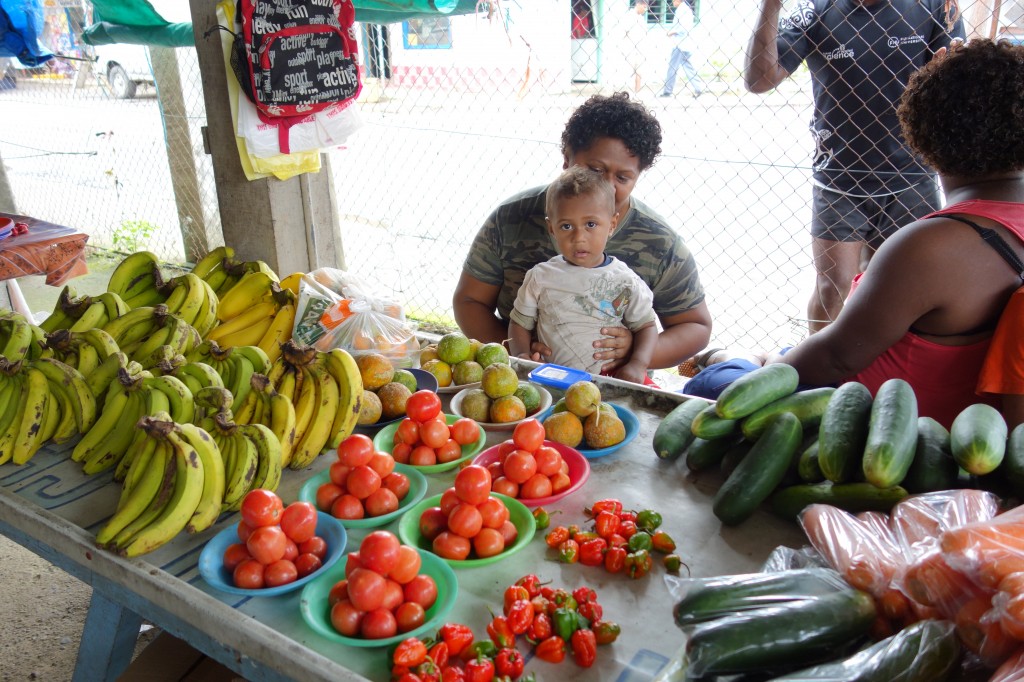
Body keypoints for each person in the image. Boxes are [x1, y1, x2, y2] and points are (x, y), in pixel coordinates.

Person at [687, 38, 1024, 430]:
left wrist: (775, 368)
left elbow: (836, 356)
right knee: (782, 356)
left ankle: (732, 359)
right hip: (970, 432)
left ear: (926, 130)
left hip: (876, 428)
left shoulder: (931, 246)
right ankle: (749, 357)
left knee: (713, 386)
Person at [454, 92, 712, 380]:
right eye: (595, 169)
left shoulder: (659, 243)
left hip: (612, 384)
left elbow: (696, 326)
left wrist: (636, 353)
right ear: (567, 158)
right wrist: (518, 351)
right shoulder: (512, 218)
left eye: (623, 178)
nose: (608, 187)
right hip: (531, 378)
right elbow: (469, 301)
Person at [743, 0, 964, 332]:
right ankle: (817, 372)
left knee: (903, 288)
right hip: (841, 175)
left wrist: (950, 72)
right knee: (833, 287)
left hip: (911, 172)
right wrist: (770, 6)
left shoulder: (932, 3)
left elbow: (955, 75)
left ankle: (884, 370)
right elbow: (759, 80)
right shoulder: (816, 9)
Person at [508, 166, 658, 385]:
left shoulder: (626, 281)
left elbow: (646, 327)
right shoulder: (541, 277)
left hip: (611, 376)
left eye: (591, 224)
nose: (579, 238)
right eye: (566, 226)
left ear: (611, 225)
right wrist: (522, 357)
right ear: (552, 229)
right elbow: (519, 323)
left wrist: (637, 364)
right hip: (555, 377)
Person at [660, 0, 706, 98]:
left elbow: (684, 28)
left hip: (680, 44)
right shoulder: (683, 9)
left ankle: (667, 91)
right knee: (688, 67)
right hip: (684, 44)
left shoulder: (683, 10)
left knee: (672, 67)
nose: (672, 2)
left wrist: (672, 32)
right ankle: (699, 88)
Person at [625, 1, 650, 94]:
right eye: (644, 7)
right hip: (630, 49)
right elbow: (624, 32)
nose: (645, 9)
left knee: (639, 71)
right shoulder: (629, 16)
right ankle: (628, 93)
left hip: (640, 48)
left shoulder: (641, 18)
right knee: (628, 73)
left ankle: (637, 93)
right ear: (638, 5)